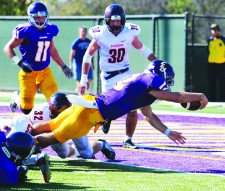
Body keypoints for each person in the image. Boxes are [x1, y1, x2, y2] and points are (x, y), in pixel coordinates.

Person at [30, 60, 208, 150]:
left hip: (89, 104)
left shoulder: (142, 85)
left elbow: (149, 115)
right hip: (91, 113)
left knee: (49, 125)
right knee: (53, 137)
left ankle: (20, 137)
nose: (167, 81)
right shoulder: (151, 79)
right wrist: (199, 95)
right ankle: (18, 152)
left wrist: (168, 132)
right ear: (159, 72)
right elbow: (176, 97)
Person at [78, 4, 157, 149]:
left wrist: (156, 61)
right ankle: (105, 120)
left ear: (123, 20)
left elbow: (143, 50)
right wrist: (83, 80)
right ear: (107, 21)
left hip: (126, 73)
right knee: (105, 110)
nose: (116, 24)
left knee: (133, 107)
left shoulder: (128, 33)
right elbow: (87, 57)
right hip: (108, 77)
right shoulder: (100, 34)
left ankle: (128, 139)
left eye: (118, 20)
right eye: (113, 21)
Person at [3, 1, 73, 115]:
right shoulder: (25, 31)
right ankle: (16, 97)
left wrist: (63, 66)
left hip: (45, 72)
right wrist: (19, 63)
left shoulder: (50, 29)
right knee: (26, 109)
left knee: (56, 103)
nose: (41, 20)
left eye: (42, 17)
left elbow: (52, 50)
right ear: (31, 17)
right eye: (37, 17)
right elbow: (7, 48)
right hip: (28, 73)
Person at [0, 92, 115, 160]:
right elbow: (30, 130)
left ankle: (101, 144)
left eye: (56, 109)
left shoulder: (74, 110)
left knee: (87, 153)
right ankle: (74, 151)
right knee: (63, 154)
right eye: (51, 107)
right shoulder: (39, 112)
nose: (52, 111)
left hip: (73, 125)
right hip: (54, 130)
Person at [69, 26, 94, 94]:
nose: (83, 33)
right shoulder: (76, 42)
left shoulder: (89, 41)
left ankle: (84, 90)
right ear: (79, 32)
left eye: (84, 31)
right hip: (78, 63)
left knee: (89, 77)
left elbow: (91, 53)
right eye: (82, 31)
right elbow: (72, 54)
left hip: (87, 63)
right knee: (79, 79)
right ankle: (80, 92)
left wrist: (92, 63)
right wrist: (70, 65)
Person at [207, 24, 225, 102]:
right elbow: (208, 51)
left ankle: (223, 99)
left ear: (219, 30)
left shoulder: (224, 40)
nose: (214, 31)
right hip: (211, 64)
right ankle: (212, 99)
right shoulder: (210, 40)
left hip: (221, 63)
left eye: (215, 29)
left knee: (222, 82)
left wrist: (223, 58)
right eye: (212, 29)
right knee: (211, 82)